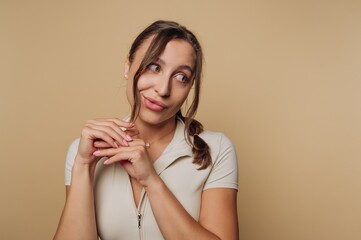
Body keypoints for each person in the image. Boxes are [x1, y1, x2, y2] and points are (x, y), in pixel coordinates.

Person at [54, 20, 239, 240]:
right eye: (154, 67)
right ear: (127, 67)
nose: (163, 89)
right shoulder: (83, 151)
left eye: (181, 77)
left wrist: (151, 180)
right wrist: (83, 166)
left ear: (190, 87)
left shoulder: (217, 149)